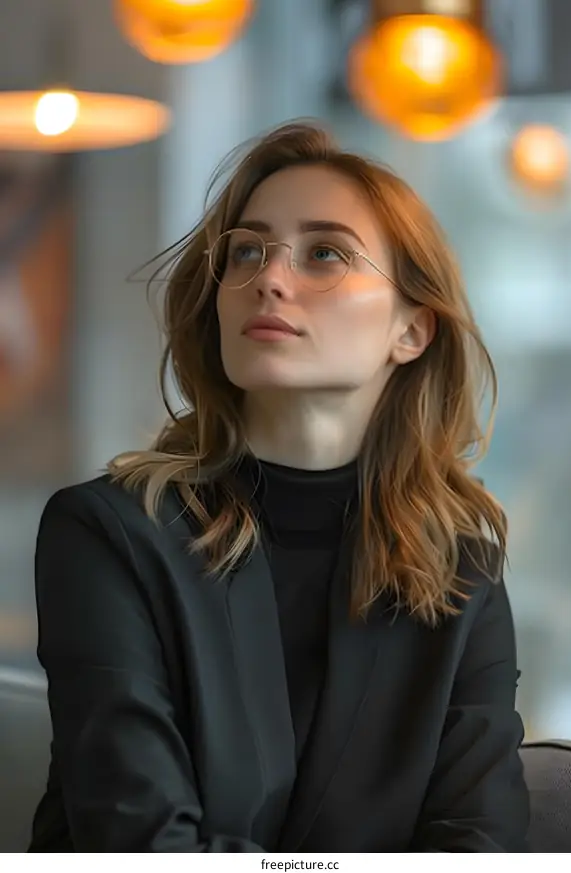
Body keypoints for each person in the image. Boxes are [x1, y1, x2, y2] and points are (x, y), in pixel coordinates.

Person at [29, 121, 529, 853]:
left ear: (412, 330)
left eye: (324, 252)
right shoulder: (107, 532)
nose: (269, 276)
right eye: (247, 251)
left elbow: (480, 847)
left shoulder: (461, 575)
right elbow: (143, 844)